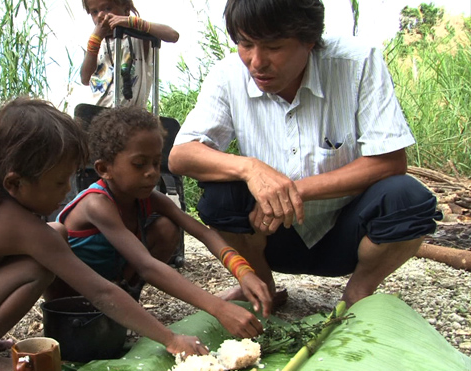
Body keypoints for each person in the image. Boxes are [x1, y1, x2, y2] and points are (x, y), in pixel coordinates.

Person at [0, 97, 211, 371]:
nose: (66, 192)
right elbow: (101, 292)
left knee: (54, 230)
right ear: (14, 182)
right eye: (59, 183)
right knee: (42, 257)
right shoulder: (12, 222)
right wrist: (170, 338)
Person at [168, 0, 442, 308]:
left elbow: (390, 162)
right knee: (219, 198)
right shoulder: (228, 75)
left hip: (347, 234)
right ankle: (260, 286)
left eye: (273, 47)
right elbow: (181, 156)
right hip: (271, 236)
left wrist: (294, 191)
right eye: (245, 44)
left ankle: (358, 293)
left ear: (309, 40)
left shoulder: (358, 62)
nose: (256, 62)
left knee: (409, 201)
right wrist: (250, 168)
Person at [44, 106, 272, 339]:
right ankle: (97, 313)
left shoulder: (149, 198)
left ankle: (127, 301)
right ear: (104, 169)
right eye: (139, 164)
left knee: (166, 228)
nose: (152, 173)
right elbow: (146, 266)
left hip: (112, 282)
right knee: (54, 232)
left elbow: (204, 234)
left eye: (155, 162)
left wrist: (244, 272)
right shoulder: (97, 204)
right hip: (71, 294)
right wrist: (218, 308)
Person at [80, 0, 179, 107]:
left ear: (126, 10)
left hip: (131, 116)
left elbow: (173, 35)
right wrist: (95, 41)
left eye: (108, 8)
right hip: (99, 115)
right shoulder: (95, 44)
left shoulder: (139, 38)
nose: (100, 15)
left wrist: (134, 23)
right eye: (94, 12)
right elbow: (85, 79)